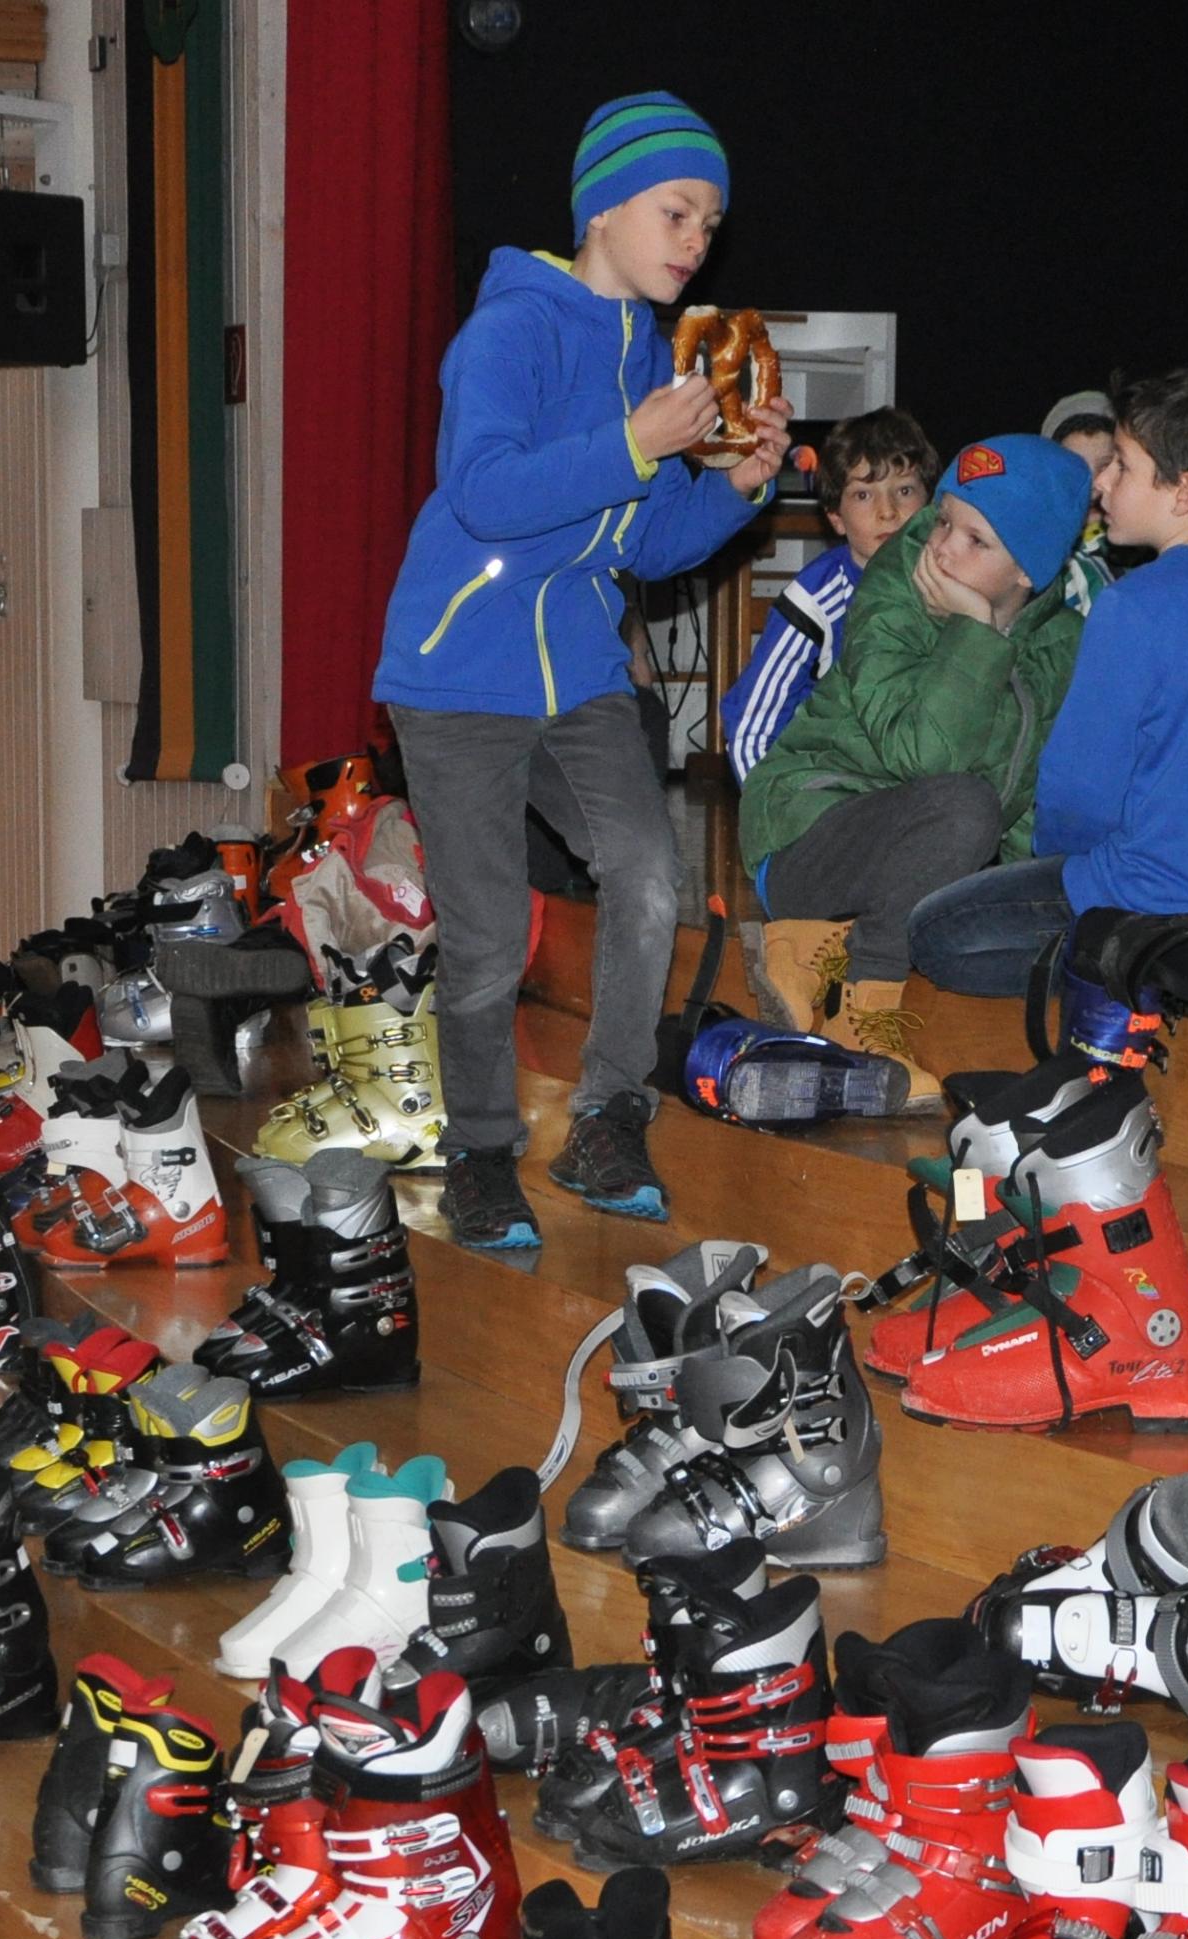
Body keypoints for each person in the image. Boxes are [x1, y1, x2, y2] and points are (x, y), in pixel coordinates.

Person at [372, 90, 792, 1248]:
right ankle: (479, 1153)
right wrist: (633, 444)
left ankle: (606, 1122)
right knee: (484, 931)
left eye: (709, 222)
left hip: (581, 672)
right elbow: (484, 491)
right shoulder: (511, 330)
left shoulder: (648, 353)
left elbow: (645, 546)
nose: (695, 240)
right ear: (602, 208)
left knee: (649, 878)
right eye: (675, 211)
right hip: (459, 676)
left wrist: (736, 485)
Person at [904, 364, 1188, 1000]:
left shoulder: (1134, 604)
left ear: (1183, 493)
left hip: (1147, 895)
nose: (1100, 482)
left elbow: (1081, 792)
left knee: (936, 932)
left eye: (1122, 466)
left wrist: (1058, 863)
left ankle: (1152, 966)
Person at [734, 432, 1098, 1105]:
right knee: (964, 807)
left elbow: (1031, 789)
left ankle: (814, 950)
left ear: (1029, 571)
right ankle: (864, 1007)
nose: (943, 548)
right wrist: (975, 632)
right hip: (806, 837)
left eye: (976, 540)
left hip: (919, 864)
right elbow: (924, 756)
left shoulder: (1061, 644)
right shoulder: (893, 590)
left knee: (1033, 894)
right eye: (945, 521)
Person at [718, 406, 937, 779]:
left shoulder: (956, 585)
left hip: (922, 775)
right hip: (834, 779)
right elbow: (750, 729)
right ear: (836, 517)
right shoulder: (813, 602)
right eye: (863, 495)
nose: (888, 511)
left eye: (904, 490)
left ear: (930, 504)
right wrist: (775, 806)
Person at [1039, 388, 1125, 613]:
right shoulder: (1040, 559)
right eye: (1075, 468)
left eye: (1104, 466)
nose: (1093, 484)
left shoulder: (1144, 550)